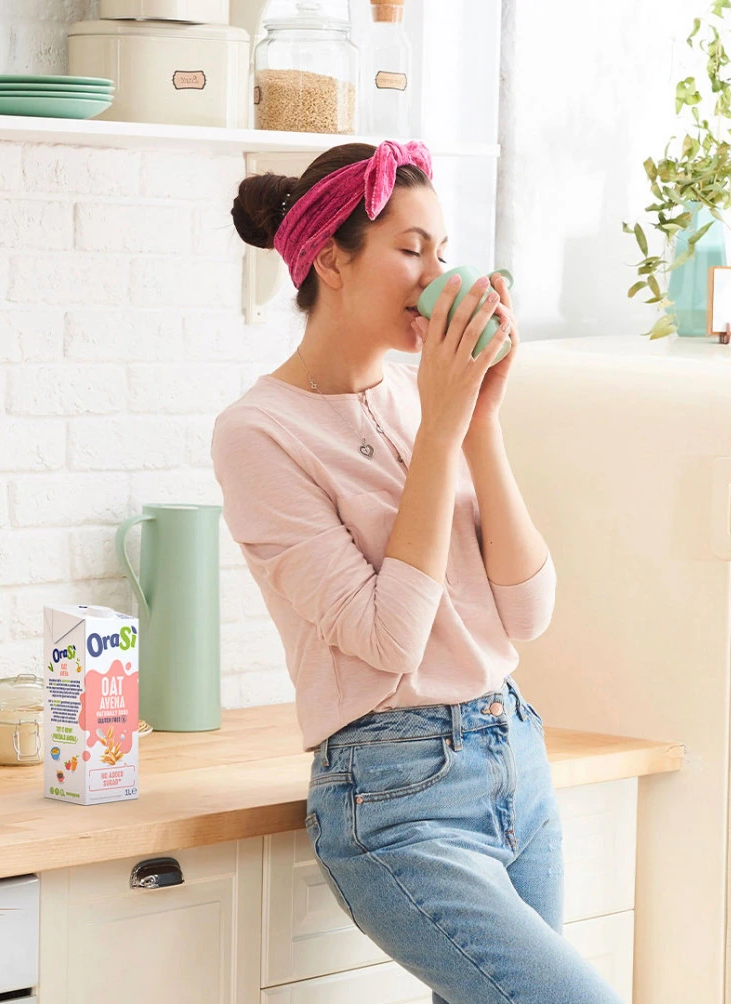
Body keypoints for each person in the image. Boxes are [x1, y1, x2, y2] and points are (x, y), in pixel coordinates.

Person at [213, 139, 619, 1004]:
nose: (438, 271)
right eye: (410, 249)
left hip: (513, 753)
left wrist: (480, 421)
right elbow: (388, 636)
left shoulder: (419, 396)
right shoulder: (259, 433)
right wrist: (441, 426)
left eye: (442, 249)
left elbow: (528, 608)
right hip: (398, 796)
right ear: (332, 259)